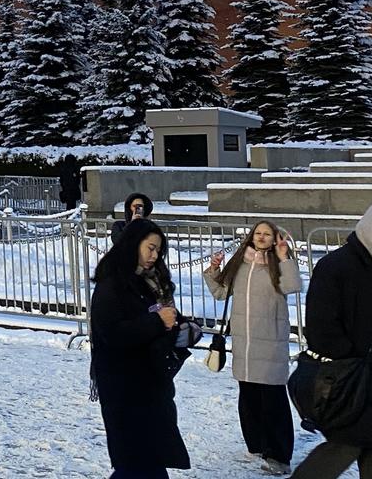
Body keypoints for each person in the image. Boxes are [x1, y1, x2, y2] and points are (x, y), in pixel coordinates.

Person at [91, 218, 192, 478]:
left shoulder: (147, 282)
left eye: (158, 250)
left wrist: (183, 329)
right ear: (133, 245)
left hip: (150, 386)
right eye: (150, 248)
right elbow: (112, 333)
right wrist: (157, 322)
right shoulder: (111, 285)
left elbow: (158, 316)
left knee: (148, 461)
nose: (154, 255)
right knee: (137, 463)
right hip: (125, 388)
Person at [203, 220, 300, 474]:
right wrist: (213, 270)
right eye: (258, 233)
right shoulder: (240, 262)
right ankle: (256, 443)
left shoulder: (279, 262)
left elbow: (293, 286)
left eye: (267, 234)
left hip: (269, 342)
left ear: (274, 238)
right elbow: (220, 293)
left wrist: (284, 256)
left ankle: (279, 454)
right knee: (248, 396)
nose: (261, 237)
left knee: (273, 400)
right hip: (244, 344)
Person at [291, 204, 372, 478]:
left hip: (363, 376)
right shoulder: (335, 266)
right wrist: (353, 357)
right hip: (346, 377)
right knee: (347, 443)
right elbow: (321, 328)